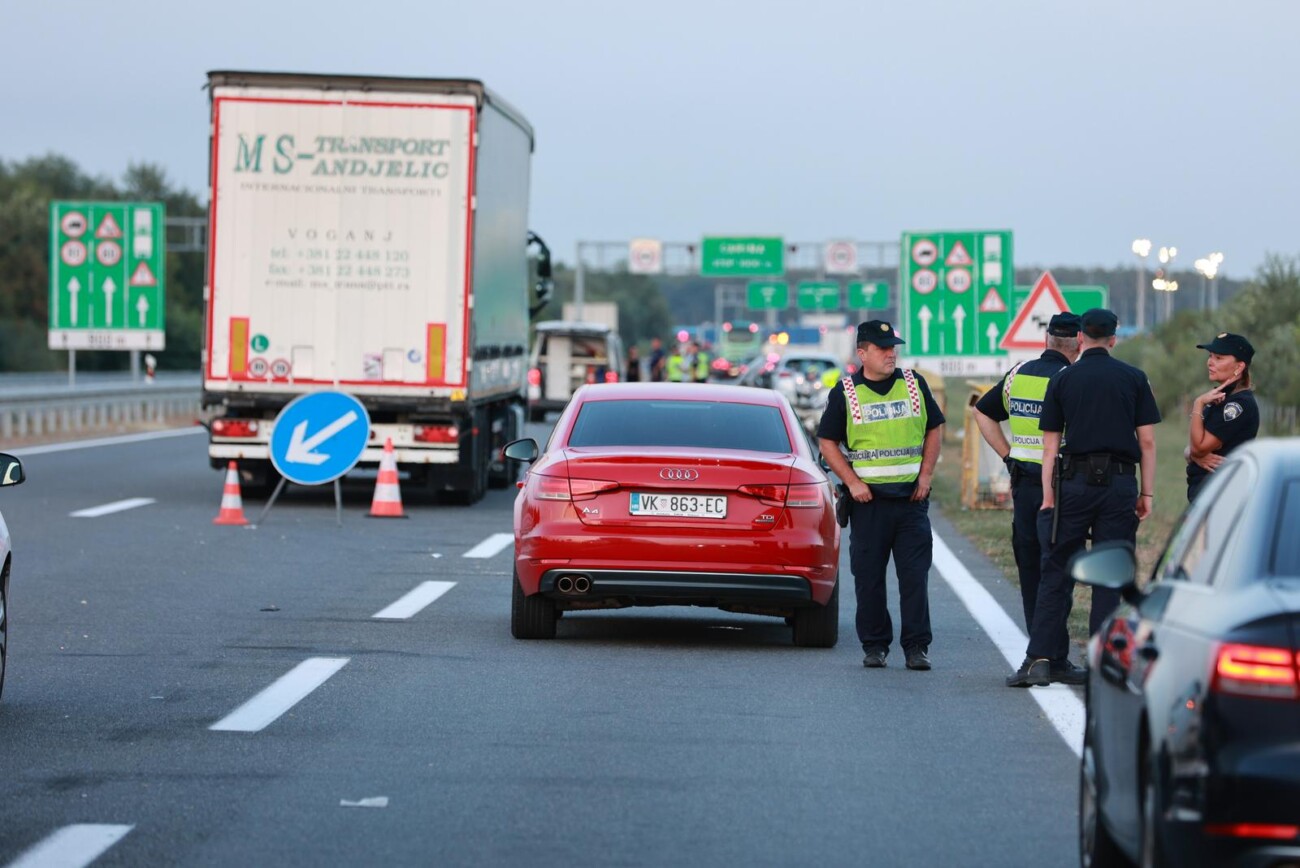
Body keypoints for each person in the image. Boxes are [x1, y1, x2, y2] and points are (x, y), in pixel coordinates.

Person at [1007, 308, 1160, 688]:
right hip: (1120, 483)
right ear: (1113, 339)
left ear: (1080, 339)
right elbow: (1148, 442)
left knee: (1056, 571)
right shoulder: (1135, 378)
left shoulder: (1063, 379)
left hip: (1071, 485)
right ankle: (1103, 662)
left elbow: (1049, 447)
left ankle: (1039, 659)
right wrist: (1146, 493)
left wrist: (1047, 497)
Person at [817, 320, 945, 671]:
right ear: (862, 353)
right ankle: (875, 645)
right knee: (869, 579)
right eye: (883, 348)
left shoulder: (914, 384)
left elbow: (935, 427)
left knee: (914, 578)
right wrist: (852, 482)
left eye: (894, 347)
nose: (892, 353)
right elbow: (826, 441)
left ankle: (917, 647)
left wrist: (927, 474)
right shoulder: (845, 392)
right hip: (868, 505)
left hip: (911, 502)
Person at [972, 313, 1081, 634]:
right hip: (1061, 483)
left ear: (1046, 339)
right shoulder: (1071, 378)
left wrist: (1008, 455)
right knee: (1060, 564)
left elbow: (982, 412)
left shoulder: (1017, 374)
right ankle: (1054, 646)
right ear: (1079, 343)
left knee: (1029, 561)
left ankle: (1037, 639)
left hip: (1023, 482)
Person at [1186, 332, 1259, 502]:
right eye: (1210, 356)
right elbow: (1192, 449)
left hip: (1220, 493)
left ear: (1239, 367)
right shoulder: (1222, 398)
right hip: (1210, 491)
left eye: (1219, 358)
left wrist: (1198, 404)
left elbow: (1199, 447)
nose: (1210, 362)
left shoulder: (1238, 405)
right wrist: (1193, 454)